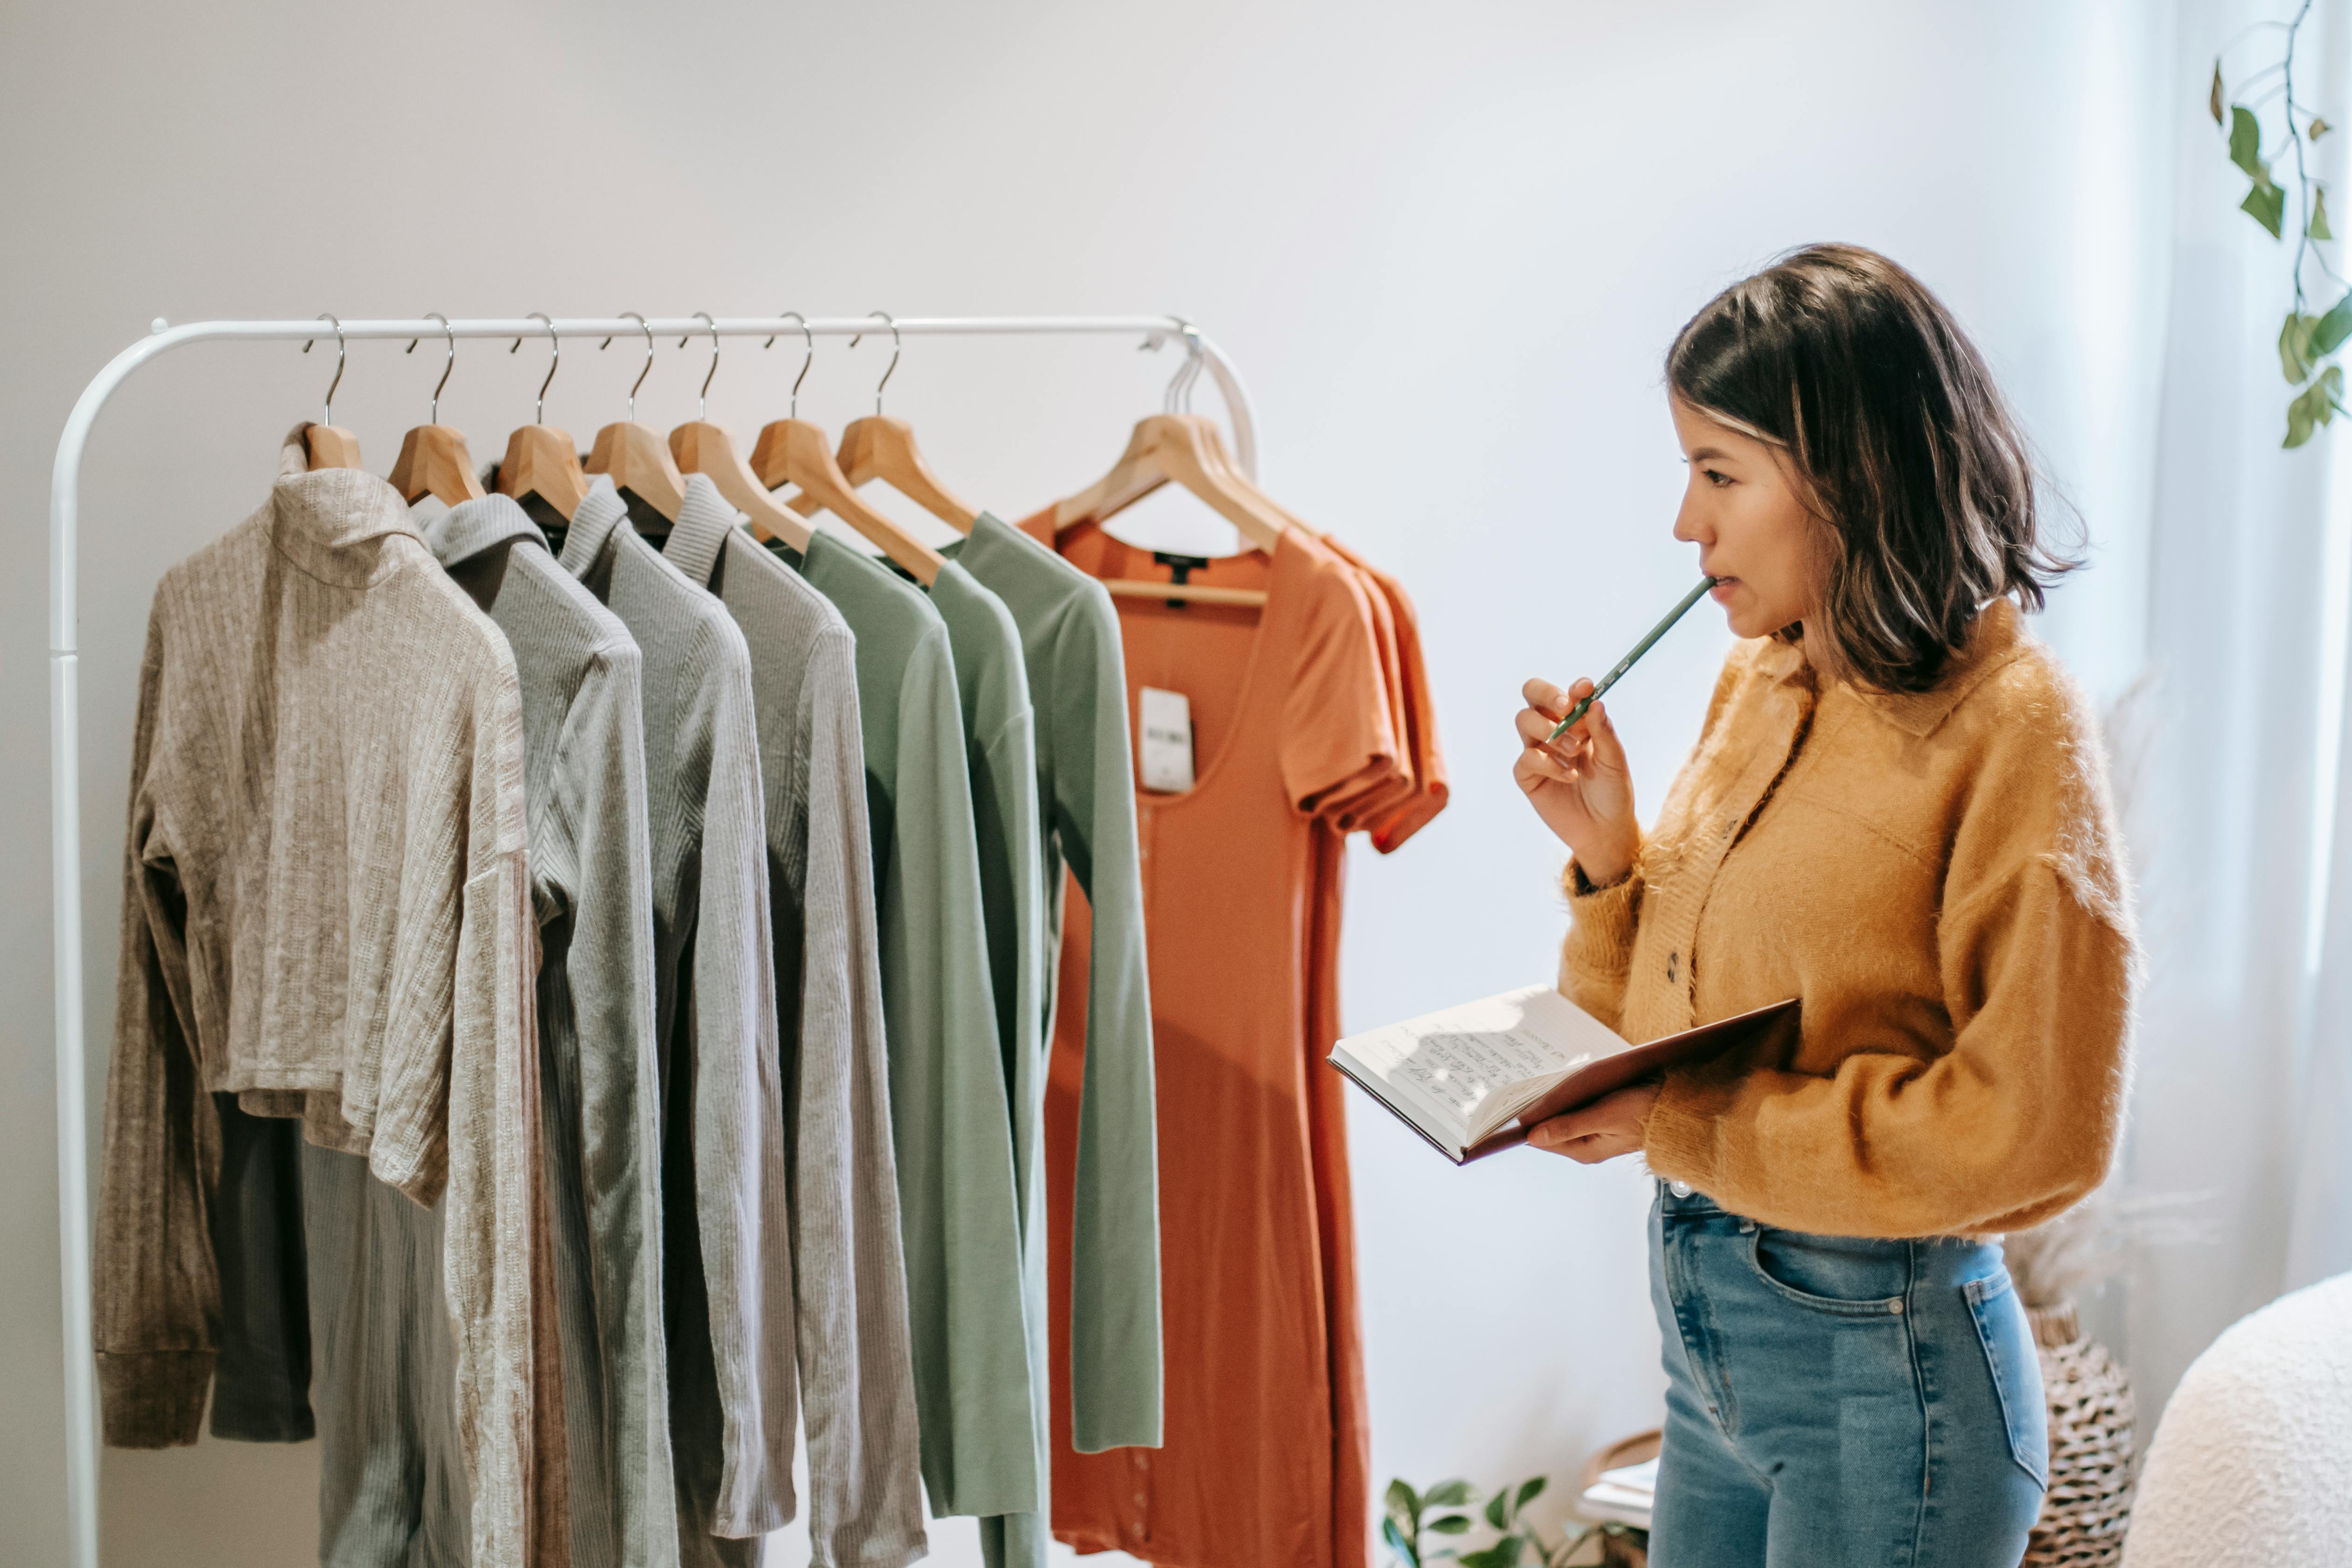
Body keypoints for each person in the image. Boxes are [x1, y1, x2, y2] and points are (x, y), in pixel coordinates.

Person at [1512, 244, 2136, 1568]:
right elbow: (1654, 1028)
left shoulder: (2014, 731)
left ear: (1851, 472)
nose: (1688, 526)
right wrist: (1609, 859)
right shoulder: (1768, 679)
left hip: (1887, 1381)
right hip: (1709, 1354)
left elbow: (2036, 1131)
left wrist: (1687, 1121)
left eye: (1718, 474)